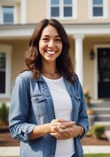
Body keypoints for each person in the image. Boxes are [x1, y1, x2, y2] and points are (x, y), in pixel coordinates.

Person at [9, 18, 89, 157]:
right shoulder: (25, 81)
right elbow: (16, 127)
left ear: (63, 44)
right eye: (46, 39)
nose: (51, 45)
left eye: (57, 40)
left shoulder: (73, 79)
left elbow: (83, 119)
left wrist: (76, 130)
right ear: (37, 43)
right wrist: (48, 128)